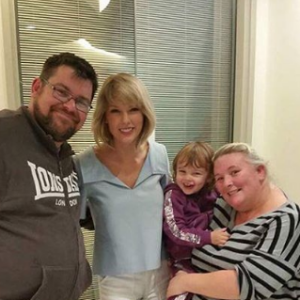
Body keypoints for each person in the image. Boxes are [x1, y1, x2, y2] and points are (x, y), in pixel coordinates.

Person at [0, 52, 98, 300]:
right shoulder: (5, 135)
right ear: (36, 87)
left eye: (82, 101)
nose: (69, 106)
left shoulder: (65, 157)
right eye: (61, 92)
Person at [74, 73, 171, 300]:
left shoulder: (160, 155)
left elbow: (172, 213)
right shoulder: (83, 165)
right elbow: (73, 225)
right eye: (116, 111)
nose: (126, 120)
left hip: (160, 271)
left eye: (133, 109)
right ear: (105, 117)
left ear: (144, 113)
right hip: (115, 278)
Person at [166, 142, 300, 300]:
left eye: (234, 172)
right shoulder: (223, 204)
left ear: (260, 171)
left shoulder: (287, 221)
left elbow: (249, 284)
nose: (227, 183)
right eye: (219, 178)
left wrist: (185, 281)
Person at [163, 141, 229, 300]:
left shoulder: (214, 193)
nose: (187, 178)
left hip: (208, 256)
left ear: (208, 177)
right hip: (182, 259)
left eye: (196, 173)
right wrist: (209, 237)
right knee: (181, 293)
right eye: (182, 171)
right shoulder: (173, 195)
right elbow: (175, 230)